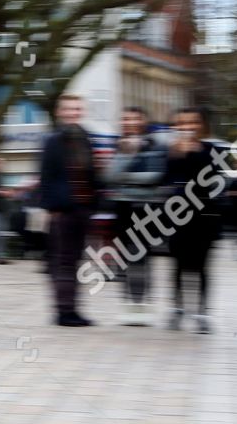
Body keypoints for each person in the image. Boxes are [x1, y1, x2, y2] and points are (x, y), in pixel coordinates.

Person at [38, 93, 102, 327]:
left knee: (76, 262)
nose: (73, 113)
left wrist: (95, 203)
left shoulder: (86, 139)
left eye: (77, 109)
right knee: (63, 262)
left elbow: (93, 175)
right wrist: (52, 208)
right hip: (63, 211)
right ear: (59, 112)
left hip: (83, 209)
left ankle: (73, 309)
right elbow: (46, 177)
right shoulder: (53, 141)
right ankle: (63, 312)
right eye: (68, 109)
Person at [163, 107, 222, 334]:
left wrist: (193, 154)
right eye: (182, 123)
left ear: (200, 125)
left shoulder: (210, 150)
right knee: (178, 265)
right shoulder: (172, 151)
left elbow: (209, 180)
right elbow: (169, 179)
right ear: (176, 127)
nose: (187, 127)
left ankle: (202, 312)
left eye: (192, 123)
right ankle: (177, 309)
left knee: (203, 267)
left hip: (205, 217)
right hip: (179, 217)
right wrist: (179, 154)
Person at [105, 107, 166, 326]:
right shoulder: (120, 145)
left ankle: (144, 304)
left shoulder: (155, 144)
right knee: (124, 256)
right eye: (126, 118)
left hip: (146, 208)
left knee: (143, 257)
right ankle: (128, 304)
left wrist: (127, 179)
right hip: (123, 207)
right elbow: (110, 176)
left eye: (135, 118)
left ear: (144, 120)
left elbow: (155, 175)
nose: (130, 122)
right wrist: (126, 155)